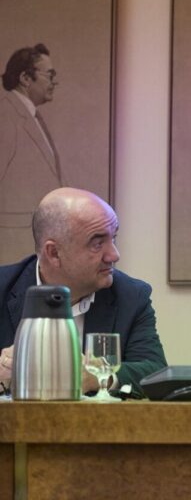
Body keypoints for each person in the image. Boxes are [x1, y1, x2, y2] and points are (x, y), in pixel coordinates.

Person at [0, 188, 167, 395]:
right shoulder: (3, 287)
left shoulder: (131, 296)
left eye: (113, 238)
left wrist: (97, 376)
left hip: (95, 426)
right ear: (54, 253)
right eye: (97, 244)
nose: (114, 255)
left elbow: (155, 371)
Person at [0, 43, 64, 264]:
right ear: (26, 78)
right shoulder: (6, 115)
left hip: (33, 242)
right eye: (50, 74)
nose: (54, 81)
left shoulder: (32, 116)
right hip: (13, 243)